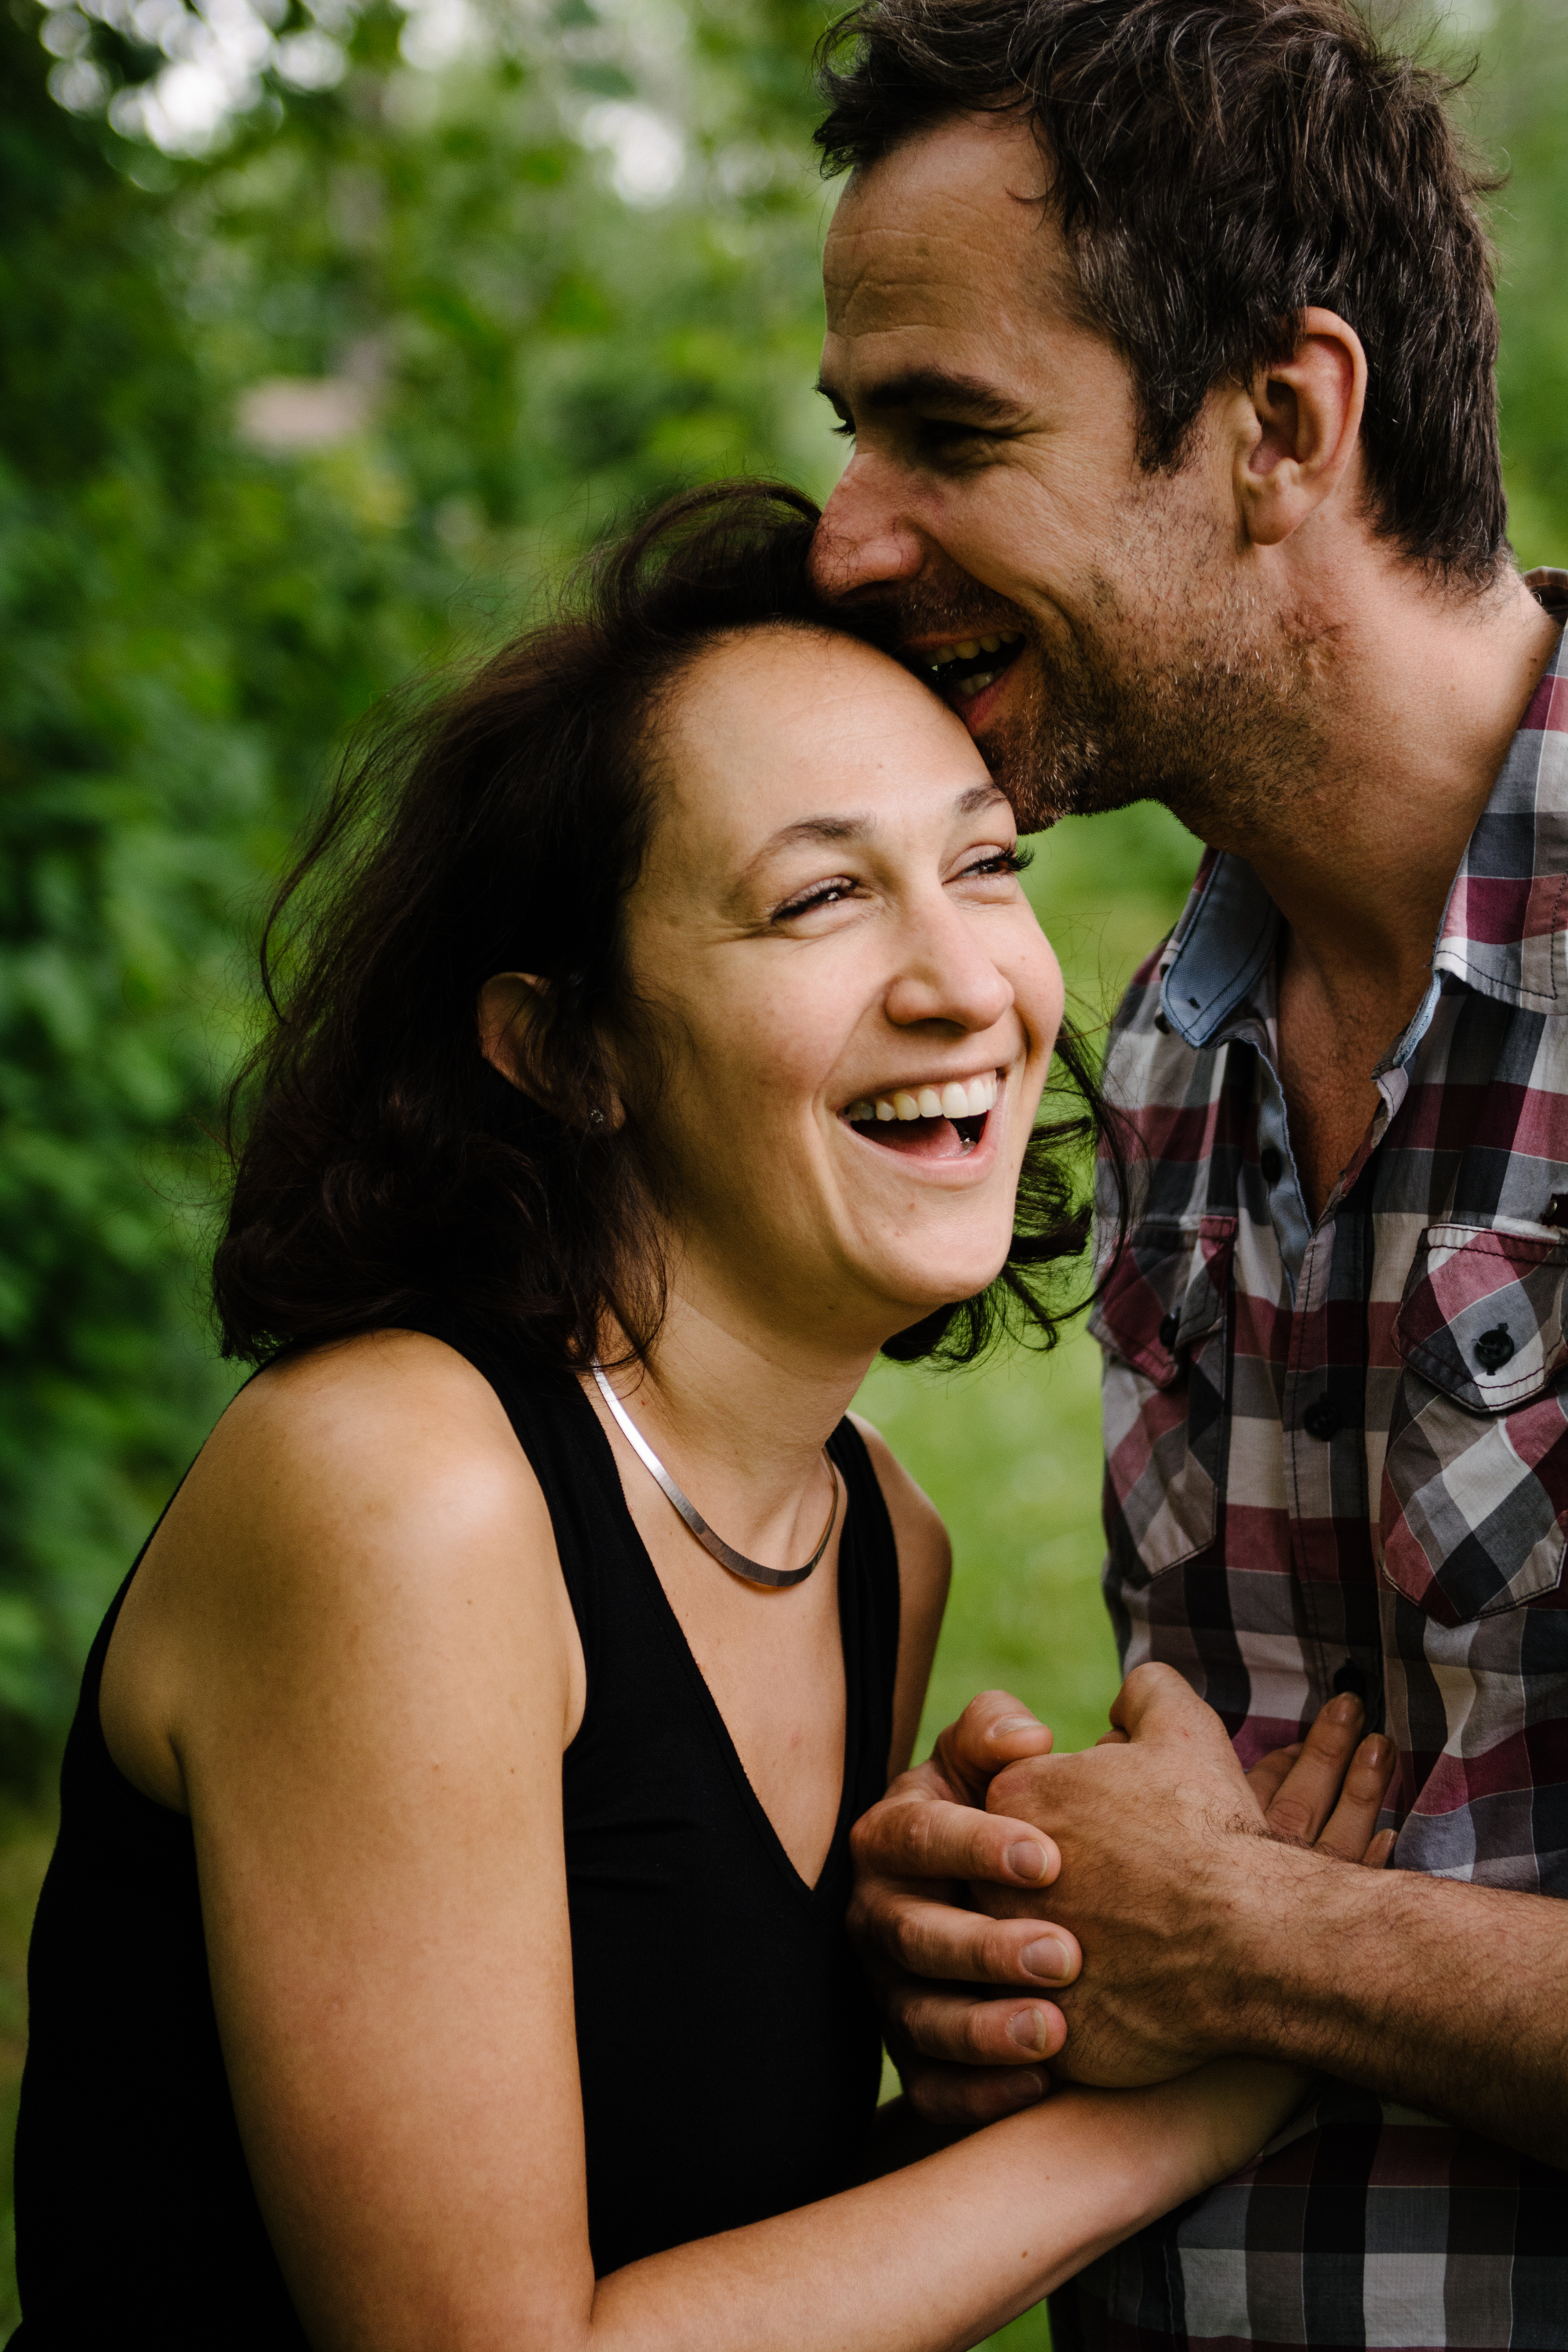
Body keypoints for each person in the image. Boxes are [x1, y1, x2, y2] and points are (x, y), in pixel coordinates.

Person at [9, 484, 1377, 2350]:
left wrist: (1103, 1999)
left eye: (985, 868)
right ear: (564, 1047)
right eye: (816, 898)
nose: (964, 983)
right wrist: (1214, 2087)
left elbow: (710, 2251)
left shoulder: (872, 1534)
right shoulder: (403, 1496)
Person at [807, 1, 1568, 2347]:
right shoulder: (1166, 1042)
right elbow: (1255, 1808)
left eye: (952, 437)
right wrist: (1032, 1919)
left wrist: (1246, 1943)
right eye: (858, 441)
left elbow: (1250, 1923)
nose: (849, 542)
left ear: (1281, 424)